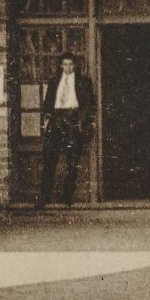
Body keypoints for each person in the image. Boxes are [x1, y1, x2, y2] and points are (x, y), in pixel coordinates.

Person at [37, 53, 95, 209]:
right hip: (57, 120)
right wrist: (50, 116)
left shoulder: (84, 82)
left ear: (74, 66)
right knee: (50, 159)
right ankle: (44, 197)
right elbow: (48, 103)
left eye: (70, 64)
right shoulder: (54, 82)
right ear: (60, 66)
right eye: (65, 64)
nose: (68, 67)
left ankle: (67, 196)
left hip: (73, 121)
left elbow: (89, 104)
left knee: (72, 161)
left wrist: (82, 122)